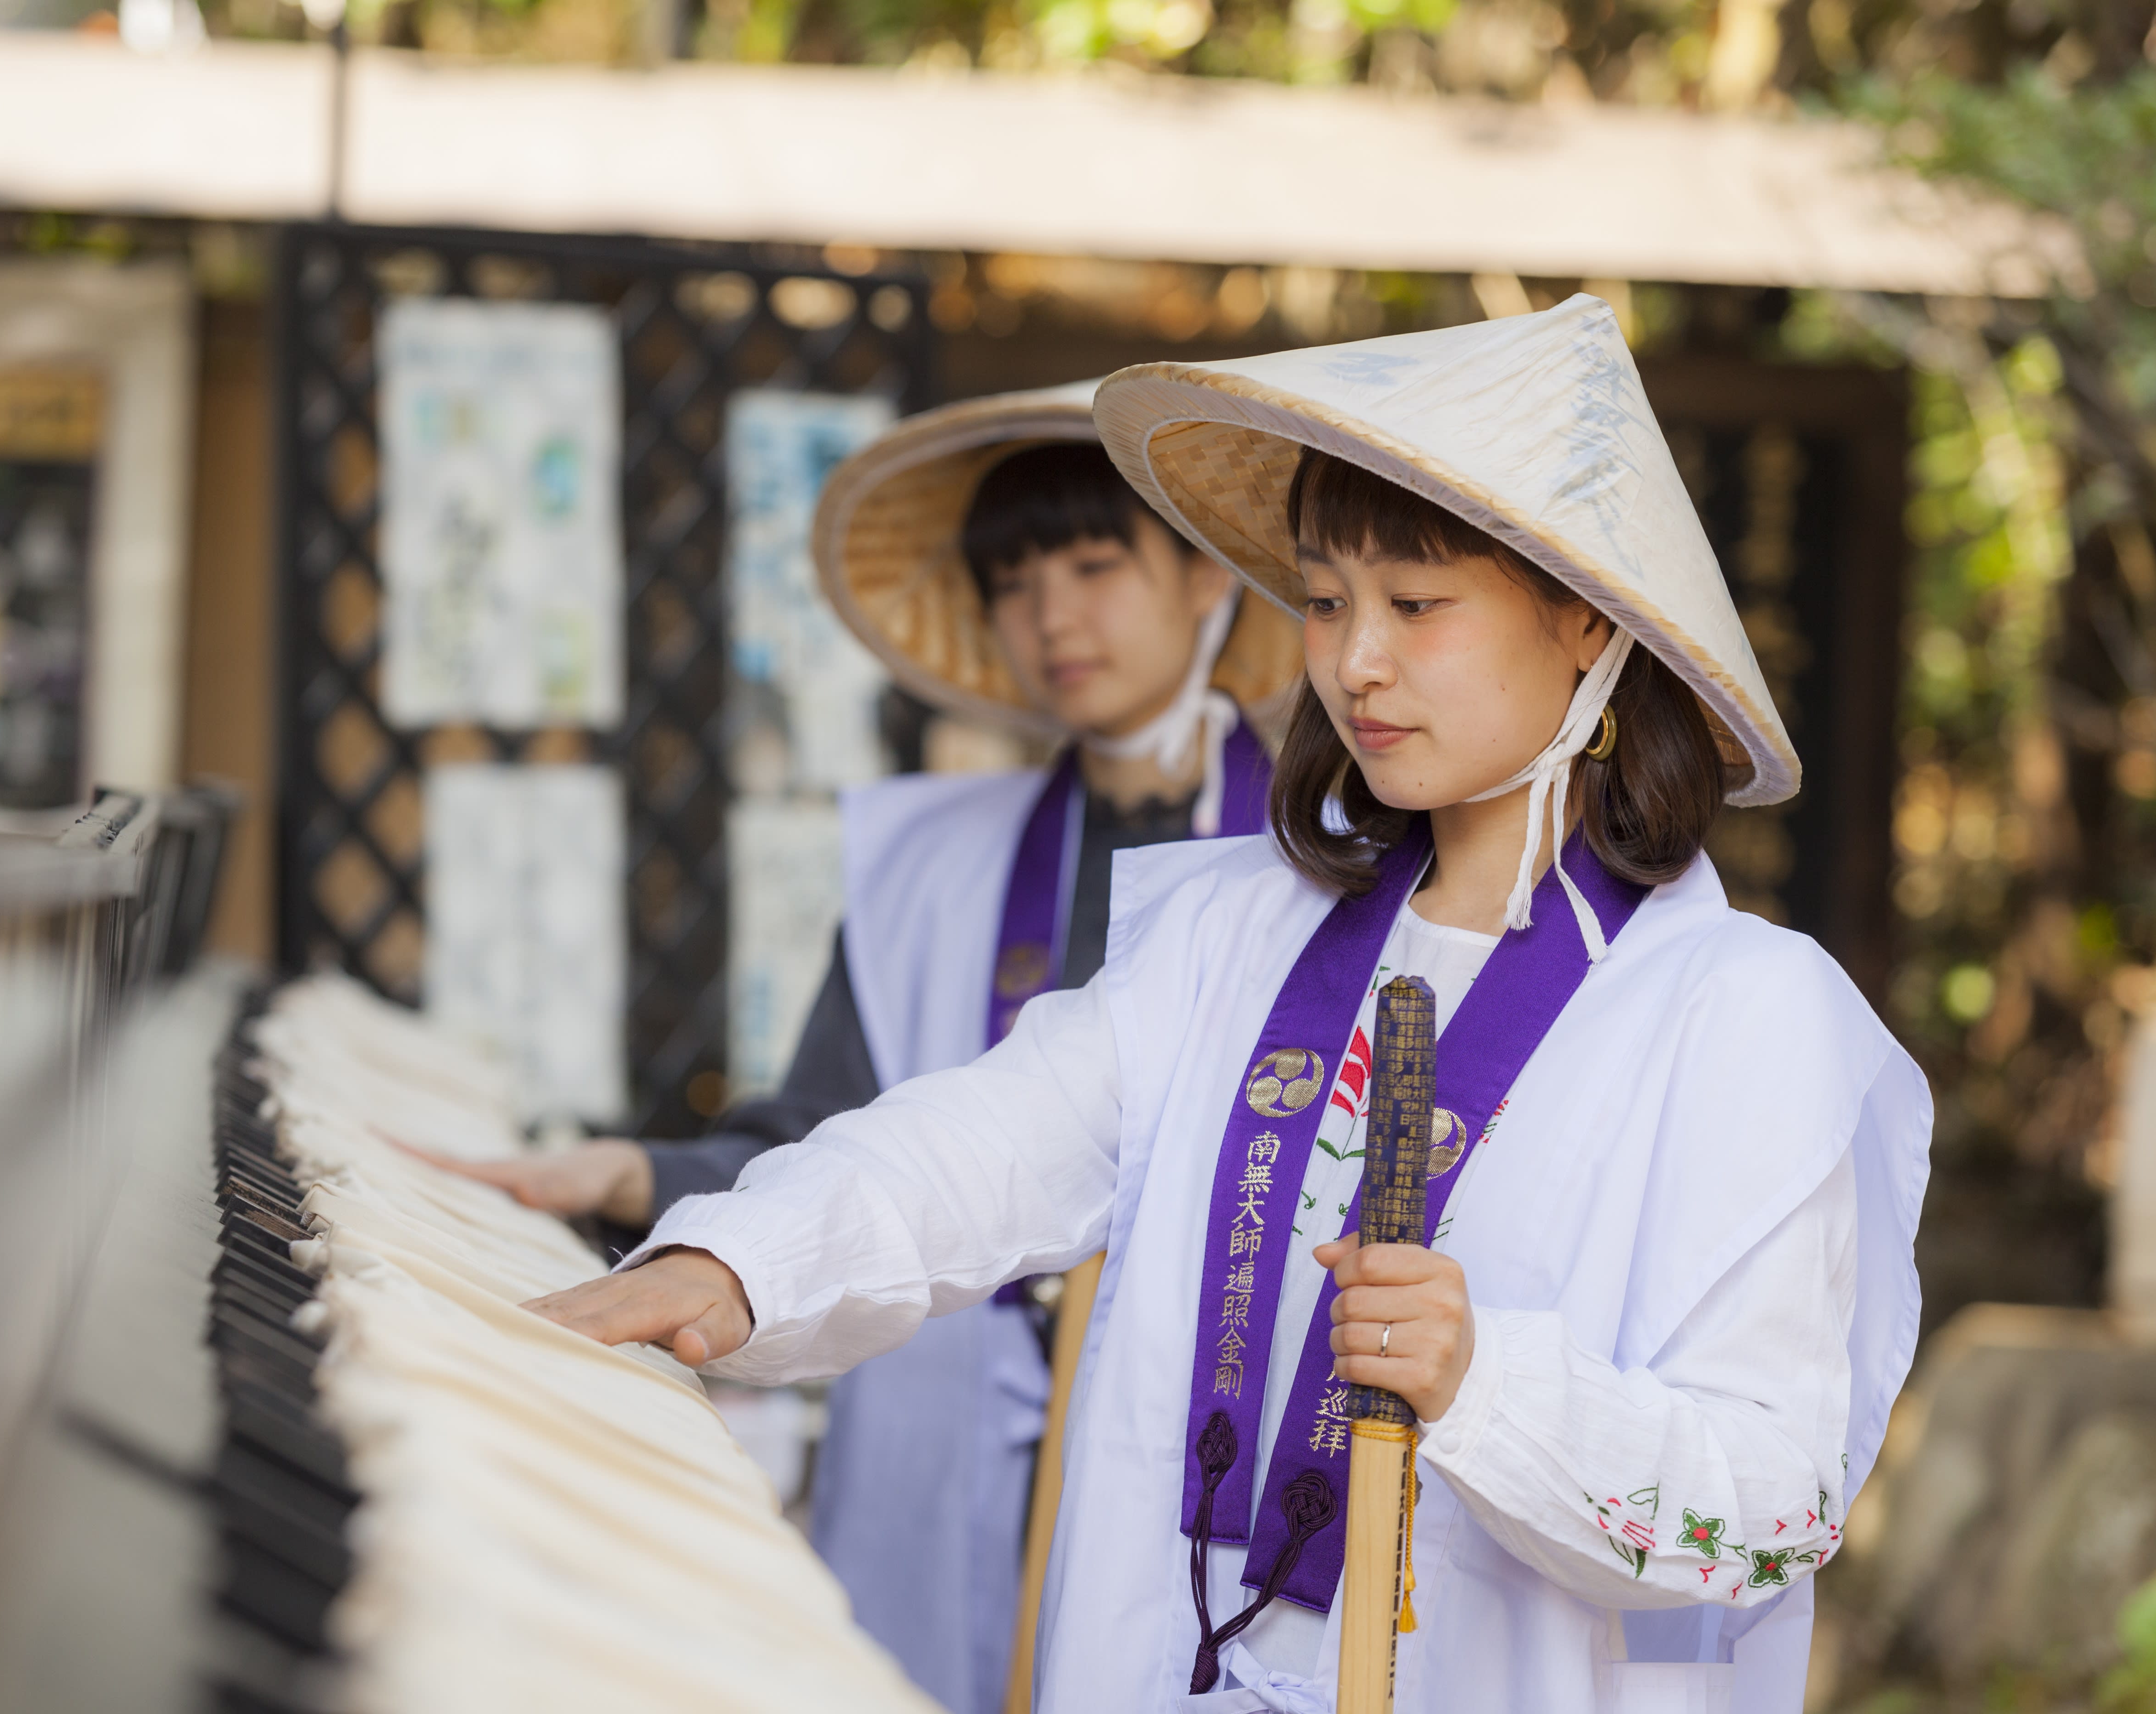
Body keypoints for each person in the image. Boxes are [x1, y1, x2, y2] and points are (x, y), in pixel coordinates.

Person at [521, 298, 1933, 1713]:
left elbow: (1777, 1503)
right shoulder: (1234, 932)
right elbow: (985, 1146)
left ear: (1584, 619)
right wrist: (737, 1267)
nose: (1354, 662)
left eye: (1416, 605)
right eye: (1325, 602)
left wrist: (1489, 1385)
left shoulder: (1744, 1017)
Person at [420, 380, 1300, 1714]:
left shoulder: (1315, 866)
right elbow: (822, 1133)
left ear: (1206, 577)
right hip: (939, 1435)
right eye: (1013, 579)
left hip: (1188, 1434)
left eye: (1093, 563)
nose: (1053, 615)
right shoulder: (927, 866)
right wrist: (624, 1177)